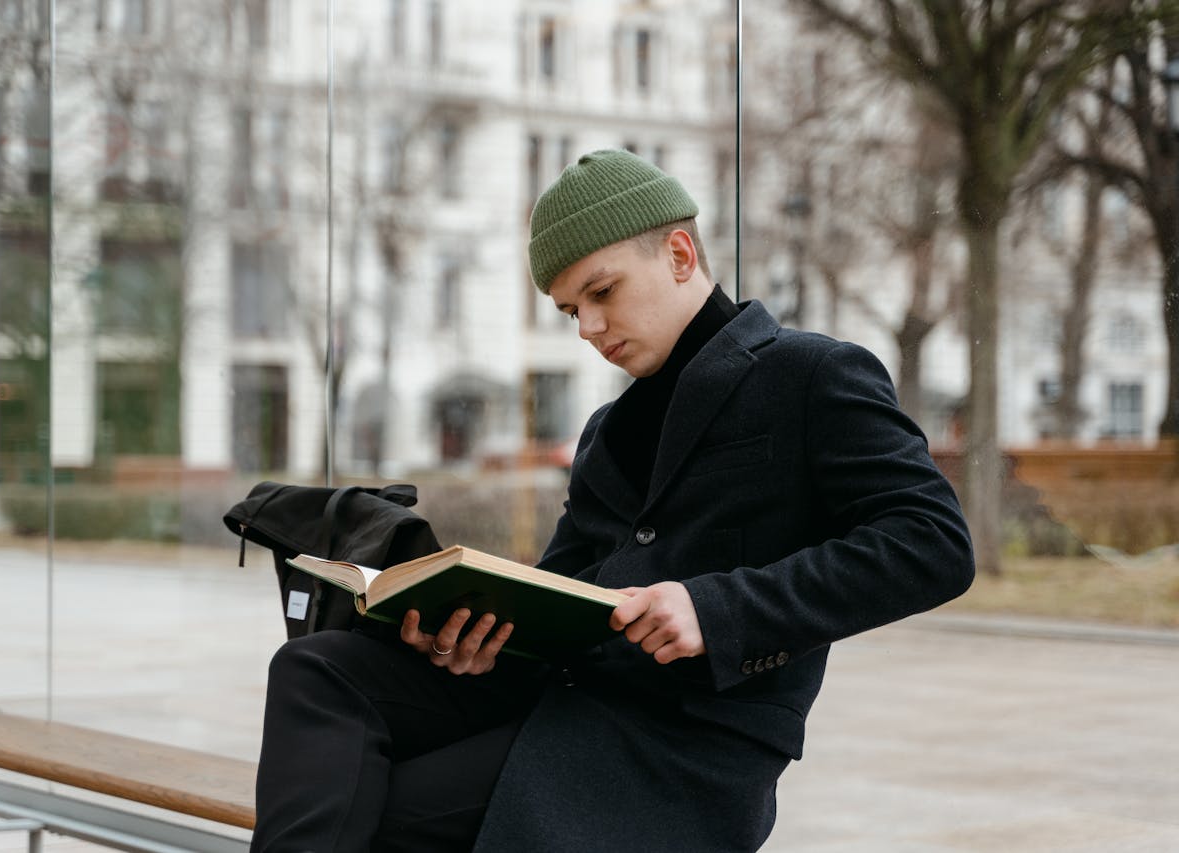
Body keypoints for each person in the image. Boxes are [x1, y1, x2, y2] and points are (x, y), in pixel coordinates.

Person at [251, 149, 974, 852]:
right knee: (316, 669)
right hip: (567, 701)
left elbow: (933, 543)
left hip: (684, 744)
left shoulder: (811, 374)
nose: (588, 328)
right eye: (570, 310)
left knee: (384, 812)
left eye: (602, 293)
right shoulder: (607, 432)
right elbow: (561, 596)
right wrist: (472, 638)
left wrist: (716, 609)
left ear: (681, 256)